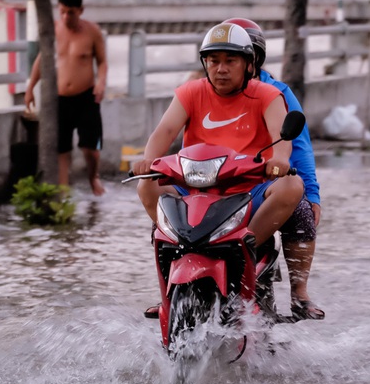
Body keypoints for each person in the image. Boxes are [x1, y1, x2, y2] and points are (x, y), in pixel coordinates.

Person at [133, 23, 306, 318]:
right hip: (195, 189)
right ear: (205, 64)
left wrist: (279, 159)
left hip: (249, 188)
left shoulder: (267, 94)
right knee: (146, 186)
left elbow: (282, 138)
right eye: (213, 61)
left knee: (292, 186)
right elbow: (164, 131)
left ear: (249, 64)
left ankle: (248, 244)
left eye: (230, 61)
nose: (221, 69)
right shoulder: (190, 93)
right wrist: (148, 159)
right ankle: (169, 291)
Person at [224, 17, 324, 320]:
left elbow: (300, 147)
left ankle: (299, 292)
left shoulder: (277, 93)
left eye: (236, 58)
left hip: (261, 186)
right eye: (219, 59)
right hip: (217, 185)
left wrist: (313, 193)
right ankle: (169, 293)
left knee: (301, 210)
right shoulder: (206, 93)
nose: (225, 67)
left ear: (253, 59)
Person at [24, 0, 107, 196]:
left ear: (80, 10)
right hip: (59, 99)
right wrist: (30, 88)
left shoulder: (92, 31)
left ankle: (93, 178)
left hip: (87, 96)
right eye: (62, 12)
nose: (65, 17)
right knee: (62, 150)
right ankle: (62, 193)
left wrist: (101, 83)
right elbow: (41, 60)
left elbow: (102, 61)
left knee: (91, 149)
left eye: (70, 12)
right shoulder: (53, 30)